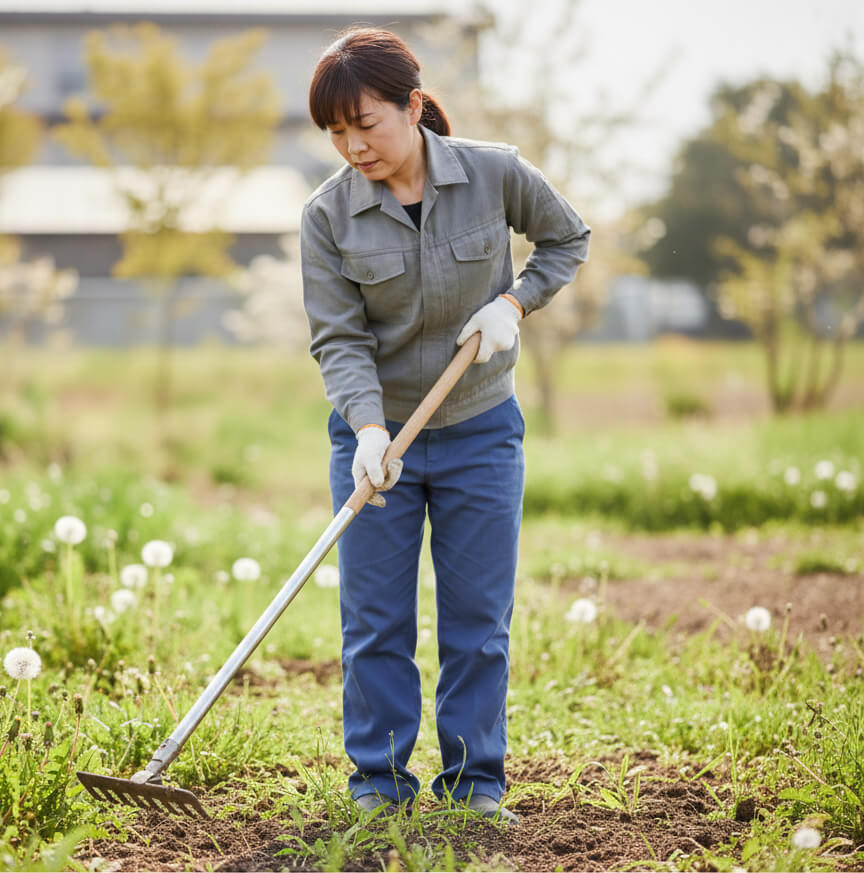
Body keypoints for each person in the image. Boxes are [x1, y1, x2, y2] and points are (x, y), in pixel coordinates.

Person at [300, 26, 590, 823]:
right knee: (375, 622)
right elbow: (339, 338)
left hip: (480, 430)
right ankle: (379, 785)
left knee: (477, 622)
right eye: (336, 132)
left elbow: (567, 238)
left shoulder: (494, 173)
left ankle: (473, 786)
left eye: (366, 124)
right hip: (377, 439)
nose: (353, 146)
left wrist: (514, 303)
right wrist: (366, 429)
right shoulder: (327, 216)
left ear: (413, 106)